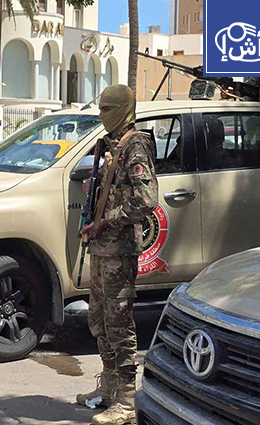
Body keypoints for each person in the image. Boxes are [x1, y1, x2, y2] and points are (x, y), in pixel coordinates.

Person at [76, 85, 158, 425]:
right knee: (99, 319)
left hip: (119, 249)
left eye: (108, 108)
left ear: (124, 109)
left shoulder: (135, 145)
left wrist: (107, 219)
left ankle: (126, 400)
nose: (102, 115)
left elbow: (147, 199)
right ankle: (109, 387)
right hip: (102, 246)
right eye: (100, 108)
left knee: (118, 322)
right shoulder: (109, 144)